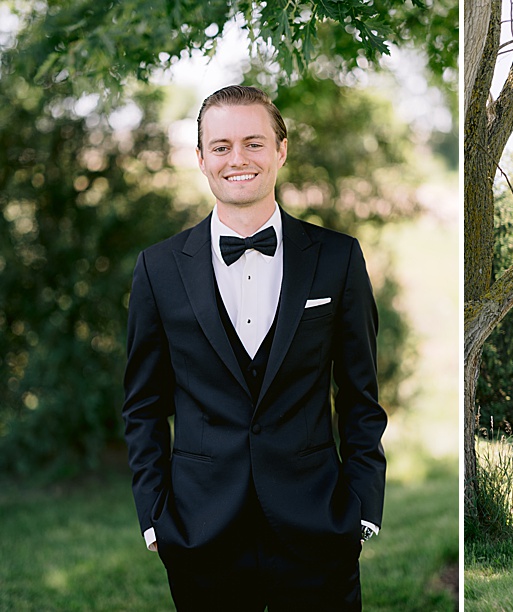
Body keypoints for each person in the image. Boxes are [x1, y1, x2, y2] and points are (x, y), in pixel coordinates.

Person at [122, 85, 386, 610]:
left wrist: (362, 509)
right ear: (201, 159)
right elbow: (143, 405)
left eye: (253, 143)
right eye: (221, 146)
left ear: (281, 150)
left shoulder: (337, 258)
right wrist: (155, 518)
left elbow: (361, 397)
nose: (237, 159)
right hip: (199, 530)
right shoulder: (158, 268)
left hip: (318, 526)